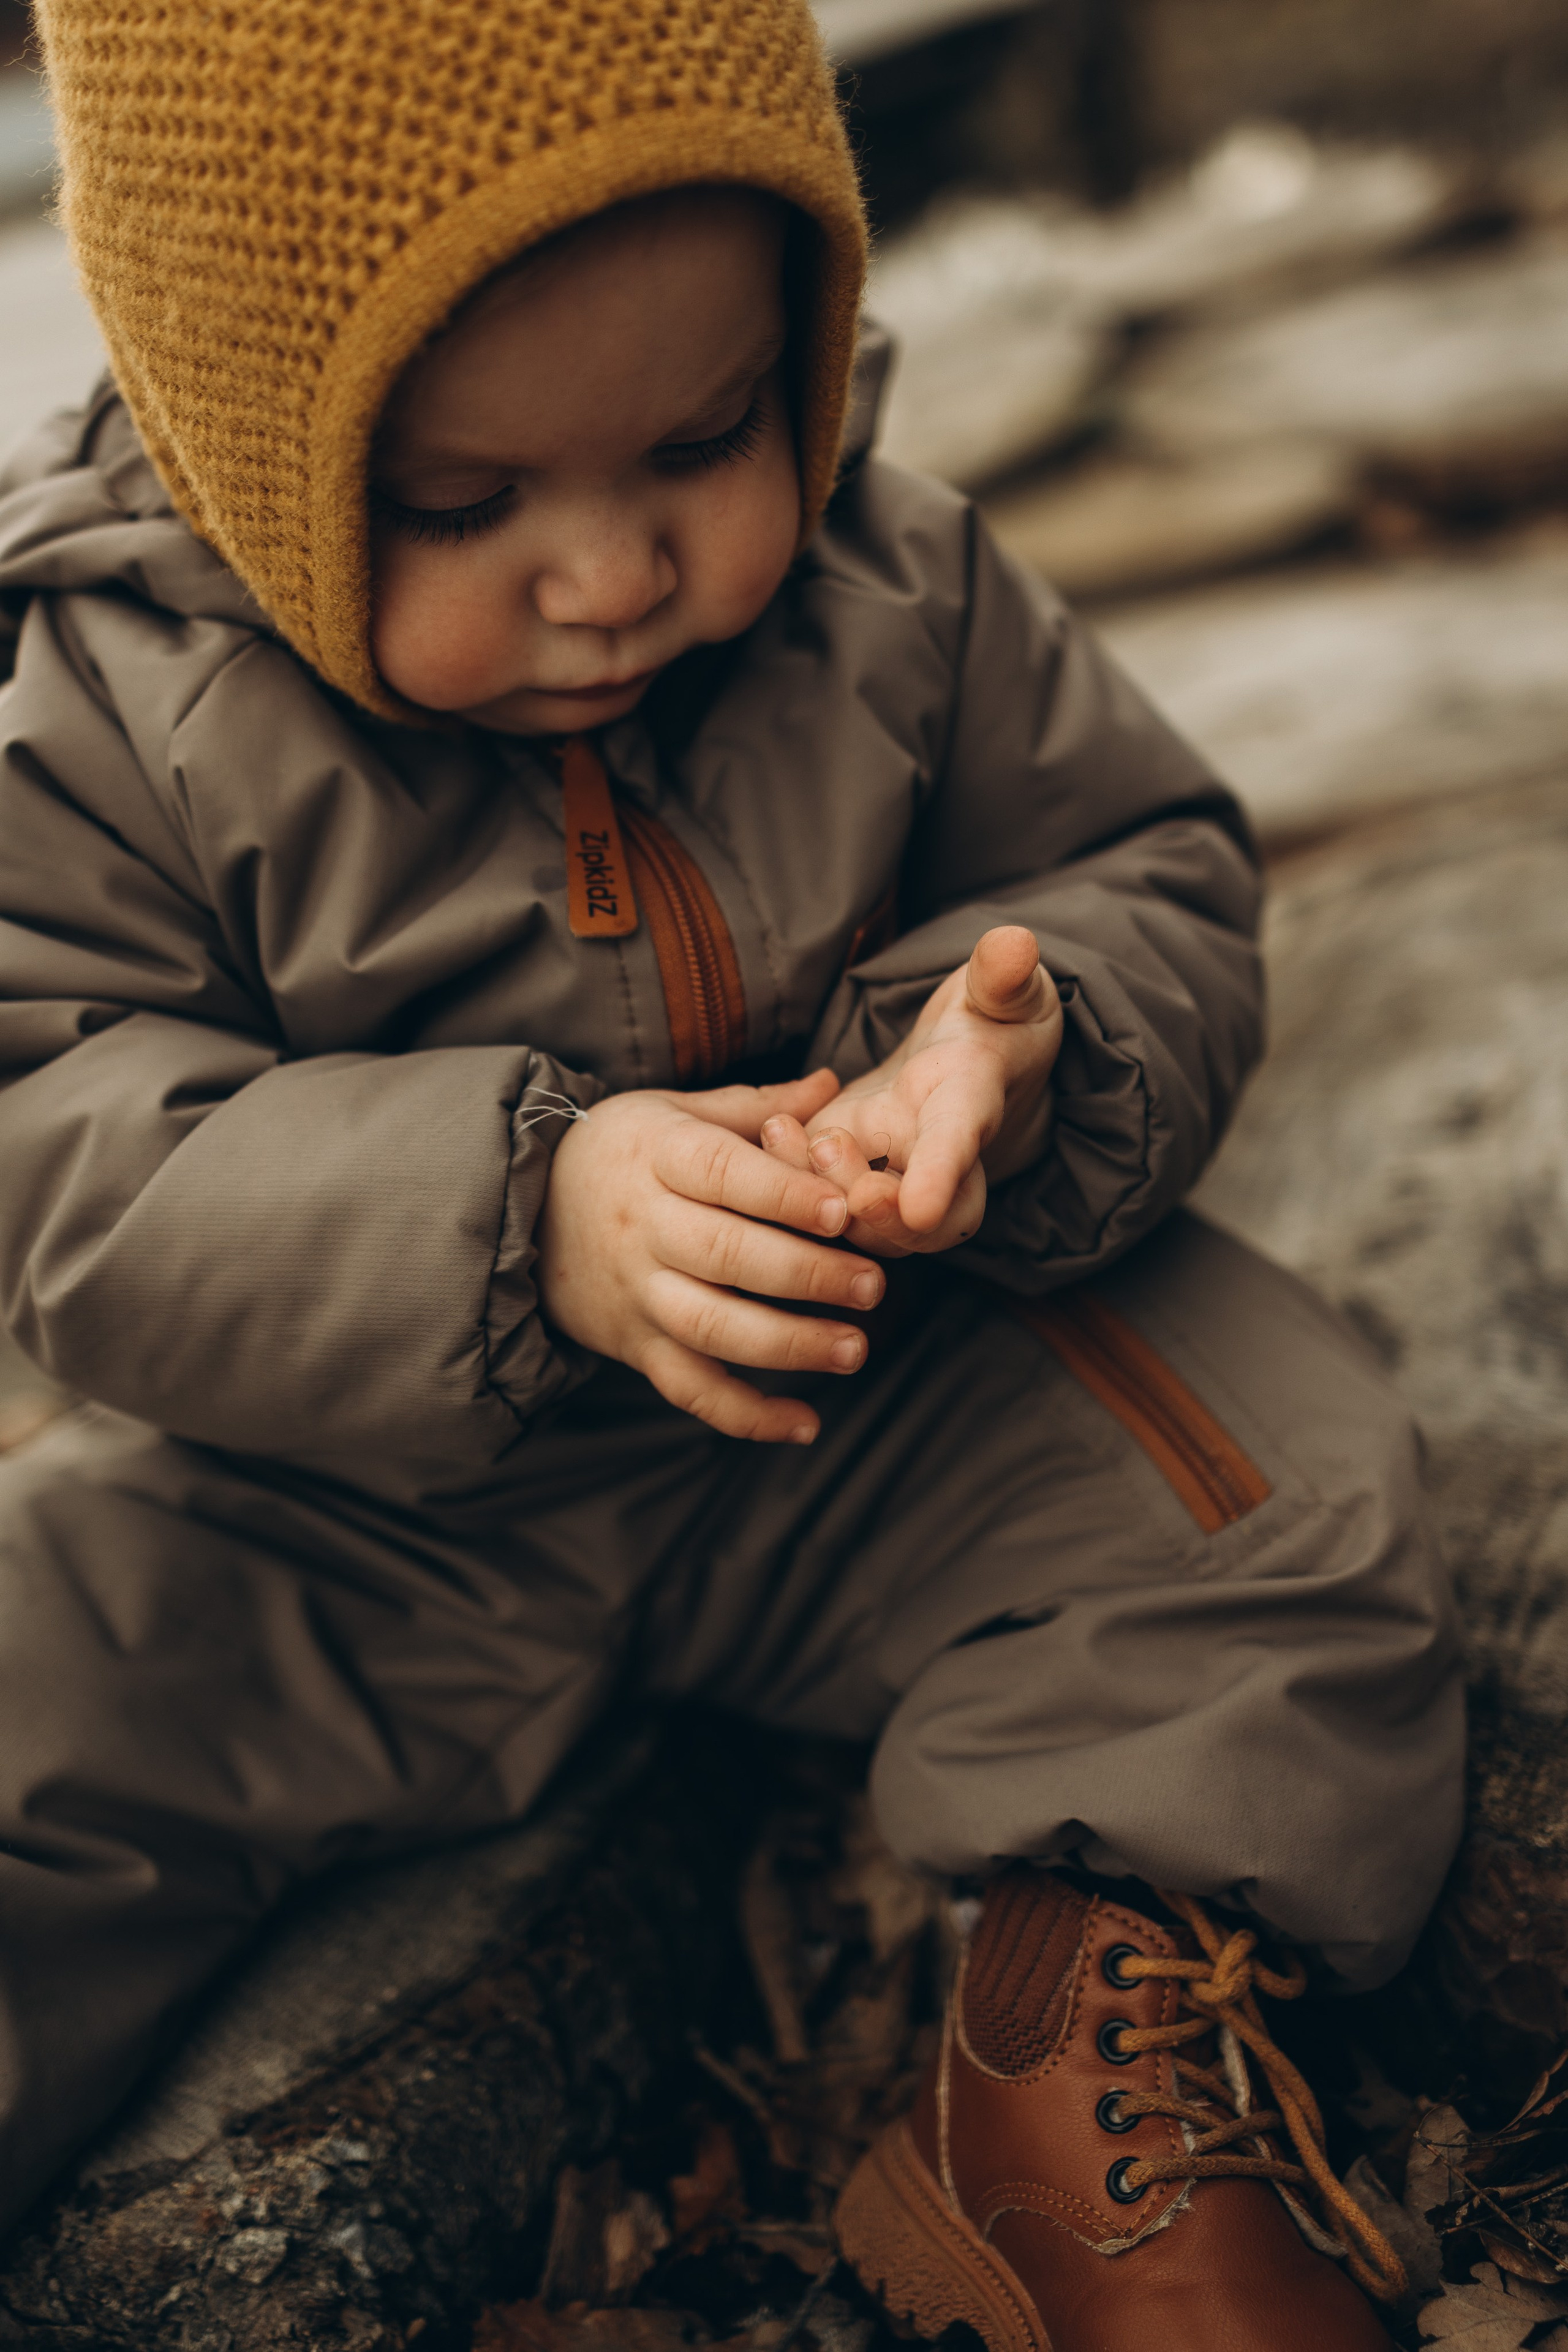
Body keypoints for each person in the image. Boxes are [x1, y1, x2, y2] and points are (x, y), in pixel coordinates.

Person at [0, 0, 1462, 2338]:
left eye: (703, 438)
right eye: (464, 505)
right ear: (239, 443)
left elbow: (1144, 859)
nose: (608, 575)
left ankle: (1069, 2070)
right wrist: (517, 1217)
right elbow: (54, 1153)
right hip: (335, 1509)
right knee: (28, 1704)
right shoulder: (101, 708)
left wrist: (1021, 1046)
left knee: (1273, 1496)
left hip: (866, 1402)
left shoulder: (902, 590)